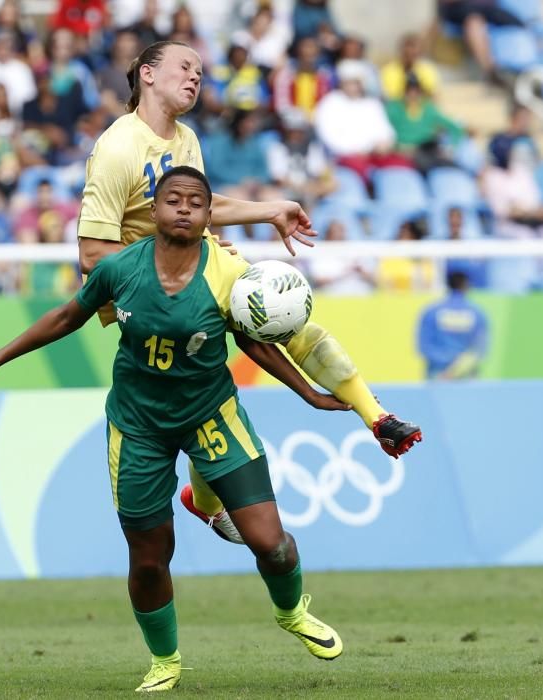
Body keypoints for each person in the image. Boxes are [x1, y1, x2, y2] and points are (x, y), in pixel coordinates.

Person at [0, 167, 347, 692]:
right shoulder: (120, 268)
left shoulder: (229, 272)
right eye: (175, 199)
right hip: (139, 427)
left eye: (198, 201)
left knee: (272, 543)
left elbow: (254, 341)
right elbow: (65, 318)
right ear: (154, 211)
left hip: (212, 415)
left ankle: (291, 613)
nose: (186, 208)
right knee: (150, 559)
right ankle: (165, 661)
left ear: (209, 215)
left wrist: (308, 392)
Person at [77, 40, 421, 544]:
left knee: (283, 310)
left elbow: (200, 206)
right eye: (184, 67)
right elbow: (91, 255)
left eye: (199, 70)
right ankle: (203, 500)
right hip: (151, 294)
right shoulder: (117, 148)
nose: (196, 77)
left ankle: (377, 417)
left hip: (199, 264)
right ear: (147, 75)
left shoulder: (185, 139)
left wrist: (269, 209)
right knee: (198, 396)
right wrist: (170, 255)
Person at [417, 270, 488, 380]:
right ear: (466, 285)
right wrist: (457, 368)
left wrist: (447, 370)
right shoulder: (476, 313)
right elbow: (480, 348)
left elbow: (424, 346)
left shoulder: (432, 311)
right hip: (465, 374)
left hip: (438, 374)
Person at [381, 33, 440, 100]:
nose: (410, 53)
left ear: (420, 52)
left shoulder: (427, 70)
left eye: (413, 54)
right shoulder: (389, 71)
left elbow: (432, 93)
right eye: (407, 54)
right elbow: (391, 96)